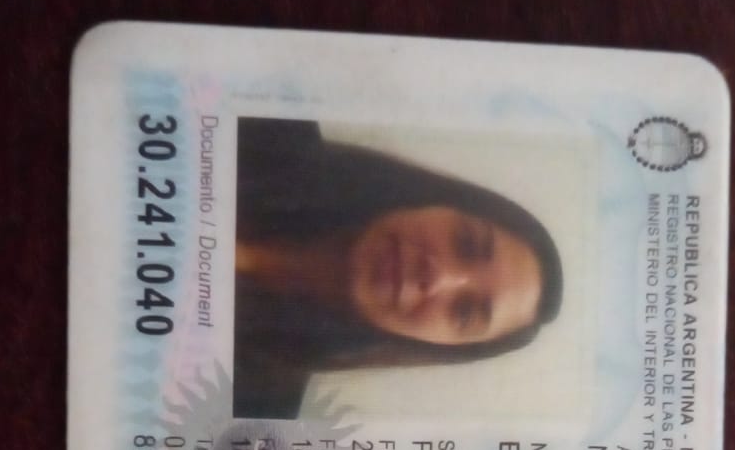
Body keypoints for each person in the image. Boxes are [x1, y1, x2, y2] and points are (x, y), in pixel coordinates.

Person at [232, 118, 563, 418]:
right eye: (465, 243)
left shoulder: (254, 409)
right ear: (442, 203)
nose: (438, 278)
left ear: (437, 345)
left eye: (463, 312)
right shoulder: (269, 128)